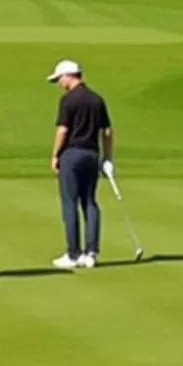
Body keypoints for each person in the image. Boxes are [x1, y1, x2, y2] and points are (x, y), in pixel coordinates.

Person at [47, 59, 112, 269]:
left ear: (68, 76)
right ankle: (91, 253)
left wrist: (55, 155)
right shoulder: (96, 99)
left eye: (59, 79)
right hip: (92, 155)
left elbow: (63, 130)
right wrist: (108, 157)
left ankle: (73, 254)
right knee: (90, 202)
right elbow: (107, 131)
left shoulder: (69, 100)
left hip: (71, 155)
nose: (59, 83)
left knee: (69, 204)